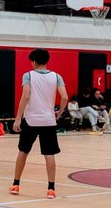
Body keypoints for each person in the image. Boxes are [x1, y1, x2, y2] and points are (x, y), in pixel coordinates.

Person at [10, 48, 68, 199]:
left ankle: (16, 185)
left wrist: (18, 118)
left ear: (34, 61)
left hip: (30, 120)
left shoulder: (28, 75)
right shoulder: (57, 76)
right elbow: (64, 97)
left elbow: (25, 96)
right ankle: (51, 189)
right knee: (49, 154)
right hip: (49, 121)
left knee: (23, 152)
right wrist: (59, 112)